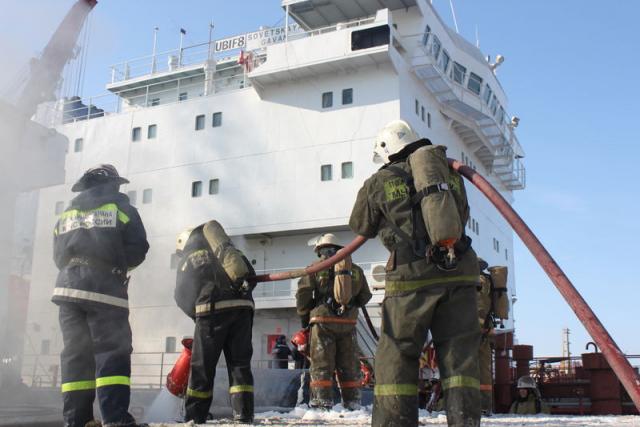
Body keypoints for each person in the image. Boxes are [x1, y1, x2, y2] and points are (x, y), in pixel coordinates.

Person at [348, 120, 481, 427]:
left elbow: (360, 224)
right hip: (459, 271)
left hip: (411, 276)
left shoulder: (379, 180)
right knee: (460, 358)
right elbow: (462, 214)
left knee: (397, 355)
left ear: (386, 150)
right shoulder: (449, 172)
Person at [52, 164, 149, 427]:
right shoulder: (122, 209)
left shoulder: (67, 214)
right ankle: (115, 419)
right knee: (112, 351)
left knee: (76, 355)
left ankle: (77, 420)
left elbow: (58, 257)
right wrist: (115, 267)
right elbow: (139, 249)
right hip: (104, 289)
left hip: (67, 289)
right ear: (114, 185)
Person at [174, 220, 256, 424]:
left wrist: (196, 316)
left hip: (211, 312)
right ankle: (244, 414)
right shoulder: (232, 253)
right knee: (240, 364)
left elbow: (181, 294)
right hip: (243, 310)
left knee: (202, 367)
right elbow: (250, 278)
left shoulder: (190, 257)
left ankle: (195, 416)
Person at [296, 233, 372, 410]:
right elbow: (365, 296)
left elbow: (303, 294)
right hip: (348, 323)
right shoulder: (355, 270)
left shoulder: (315, 267)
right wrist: (350, 306)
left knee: (322, 364)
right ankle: (353, 404)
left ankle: (321, 403)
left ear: (320, 250)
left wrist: (305, 316)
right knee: (349, 365)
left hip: (323, 321)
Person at [477, 258, 494, 414]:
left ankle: (481, 406)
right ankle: (485, 406)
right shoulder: (487, 280)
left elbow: (481, 306)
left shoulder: (480, 281)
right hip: (485, 332)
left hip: (477, 332)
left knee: (474, 370)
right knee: (484, 370)